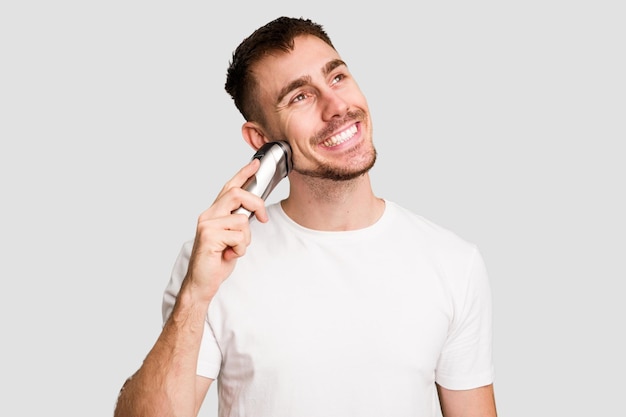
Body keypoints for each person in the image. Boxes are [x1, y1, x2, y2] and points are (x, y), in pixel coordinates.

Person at [114, 16, 497, 417]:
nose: (337, 107)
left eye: (337, 78)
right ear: (261, 141)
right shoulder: (216, 261)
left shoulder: (454, 263)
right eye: (300, 96)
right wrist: (195, 295)